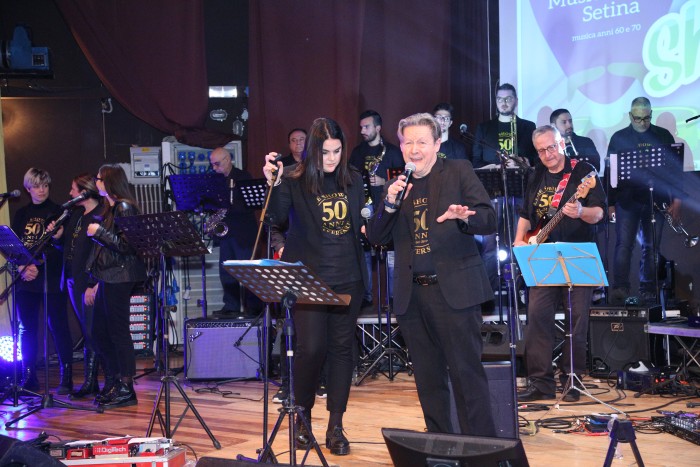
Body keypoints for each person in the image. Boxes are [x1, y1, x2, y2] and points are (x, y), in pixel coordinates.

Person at [367, 113, 497, 436]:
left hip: (454, 293)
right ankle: (442, 446)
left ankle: (481, 450)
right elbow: (376, 236)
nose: (414, 149)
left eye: (422, 142)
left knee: (467, 377)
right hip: (412, 298)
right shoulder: (397, 186)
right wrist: (390, 204)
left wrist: (465, 217)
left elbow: (489, 218)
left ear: (437, 144)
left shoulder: (458, 170)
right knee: (428, 381)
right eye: (408, 142)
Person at [263, 117, 367, 456]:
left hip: (348, 277)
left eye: (337, 151)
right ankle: (302, 417)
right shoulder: (294, 179)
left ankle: (336, 425)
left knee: (342, 350)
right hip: (308, 278)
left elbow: (359, 225)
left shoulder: (354, 179)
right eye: (325, 152)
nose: (332, 158)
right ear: (312, 150)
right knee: (310, 348)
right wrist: (273, 183)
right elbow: (275, 219)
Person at [513, 125, 605, 402]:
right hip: (542, 255)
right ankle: (540, 383)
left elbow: (599, 213)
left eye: (551, 147)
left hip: (577, 254)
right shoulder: (536, 174)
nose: (548, 154)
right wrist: (518, 241)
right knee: (537, 318)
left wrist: (581, 211)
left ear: (562, 144)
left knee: (576, 322)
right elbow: (526, 214)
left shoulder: (583, 172)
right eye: (541, 150)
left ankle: (571, 381)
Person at [607, 97, 682, 305]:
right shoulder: (619, 138)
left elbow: (675, 171)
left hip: (655, 199)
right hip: (627, 200)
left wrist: (677, 200)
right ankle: (620, 289)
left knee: (651, 247)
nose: (642, 122)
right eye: (637, 118)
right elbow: (610, 173)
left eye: (646, 118)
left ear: (651, 115)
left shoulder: (662, 135)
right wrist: (611, 203)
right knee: (624, 245)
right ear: (630, 116)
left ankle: (648, 290)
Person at [85, 164, 148, 408]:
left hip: (120, 277)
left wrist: (99, 232)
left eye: (99, 178)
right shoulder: (111, 208)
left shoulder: (124, 207)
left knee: (118, 331)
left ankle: (126, 386)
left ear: (109, 182)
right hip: (108, 276)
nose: (96, 182)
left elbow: (126, 246)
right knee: (99, 331)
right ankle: (114, 380)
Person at [471, 83, 538, 299]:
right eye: (500, 99)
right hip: (492, 195)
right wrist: (492, 166)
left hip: (520, 194)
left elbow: (536, 160)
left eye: (508, 98)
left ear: (515, 101)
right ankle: (488, 294)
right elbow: (475, 160)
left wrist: (523, 161)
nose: (504, 102)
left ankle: (523, 291)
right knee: (490, 245)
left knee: (520, 243)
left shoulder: (527, 127)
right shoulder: (484, 128)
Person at [11, 168, 74, 395]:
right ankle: (29, 376)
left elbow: (65, 246)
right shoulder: (21, 214)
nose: (42, 190)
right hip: (26, 278)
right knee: (27, 328)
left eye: (45, 185)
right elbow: (13, 245)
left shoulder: (59, 211)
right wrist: (22, 266)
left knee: (58, 325)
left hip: (51, 277)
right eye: (37, 186)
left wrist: (58, 237)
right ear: (28, 188)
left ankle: (66, 376)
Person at [50, 174, 104, 399]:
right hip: (72, 279)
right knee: (86, 328)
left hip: (87, 281)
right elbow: (70, 248)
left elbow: (100, 253)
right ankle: (91, 382)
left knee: (91, 330)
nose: (70, 194)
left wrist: (93, 283)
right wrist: (57, 237)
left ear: (83, 192)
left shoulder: (100, 215)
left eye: (73, 189)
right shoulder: (76, 215)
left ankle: (92, 382)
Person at [349, 110, 403, 308]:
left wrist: (384, 181)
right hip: (364, 208)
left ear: (378, 128)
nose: (362, 130)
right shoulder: (357, 152)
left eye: (367, 126)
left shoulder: (393, 151)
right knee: (364, 253)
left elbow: (403, 178)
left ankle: (393, 297)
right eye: (361, 127)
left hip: (387, 208)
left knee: (391, 254)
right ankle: (366, 296)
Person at [208, 147, 260, 317]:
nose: (214, 168)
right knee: (226, 271)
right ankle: (231, 306)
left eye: (217, 164)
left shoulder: (243, 177)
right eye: (212, 164)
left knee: (248, 271)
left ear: (227, 159)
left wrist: (226, 207)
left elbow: (248, 205)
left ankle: (254, 307)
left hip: (243, 232)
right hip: (226, 233)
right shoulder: (216, 181)